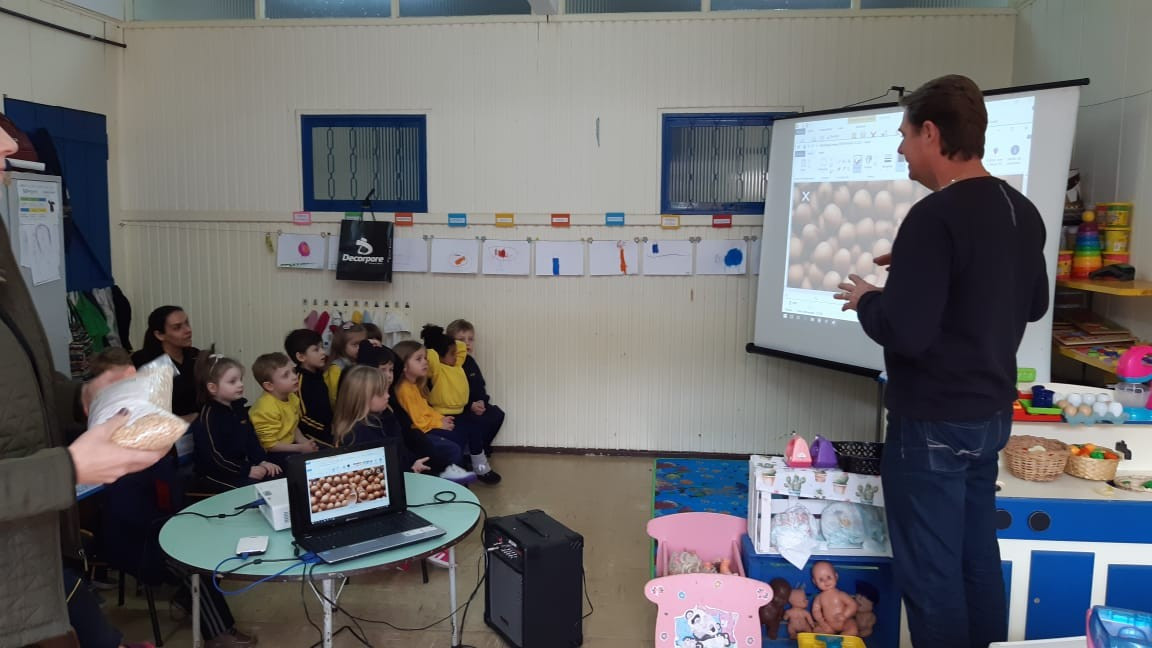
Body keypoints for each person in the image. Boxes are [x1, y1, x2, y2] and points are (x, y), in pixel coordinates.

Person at [835, 74, 1048, 648]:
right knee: (977, 561)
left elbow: (904, 332)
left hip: (931, 423)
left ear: (931, 133)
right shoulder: (1021, 209)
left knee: (932, 578)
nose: (901, 149)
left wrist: (870, 298)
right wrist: (920, 272)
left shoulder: (934, 216)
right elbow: (1033, 303)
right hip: (989, 418)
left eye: (904, 135)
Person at [0, 181, 170, 642]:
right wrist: (68, 469)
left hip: (34, 559)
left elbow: (18, 386)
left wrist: (83, 396)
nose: (10, 149)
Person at [188, 348, 282, 491]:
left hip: (239, 469)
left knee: (278, 478)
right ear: (212, 388)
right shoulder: (208, 417)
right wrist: (246, 470)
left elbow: (251, 440)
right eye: (232, 382)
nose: (240, 384)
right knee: (254, 490)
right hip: (214, 475)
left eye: (240, 380)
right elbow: (214, 457)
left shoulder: (239, 409)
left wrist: (262, 461)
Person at [421, 325, 500, 484]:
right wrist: (434, 341)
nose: (457, 356)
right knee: (457, 436)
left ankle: (481, 468)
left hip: (460, 412)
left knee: (476, 428)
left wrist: (456, 344)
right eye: (452, 354)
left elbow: (462, 351)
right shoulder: (437, 369)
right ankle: (458, 470)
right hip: (441, 414)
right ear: (440, 356)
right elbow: (431, 355)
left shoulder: (457, 366)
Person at [390, 340, 476, 485]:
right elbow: (417, 421)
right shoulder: (404, 389)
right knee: (453, 446)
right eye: (418, 359)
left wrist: (441, 418)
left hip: (426, 427)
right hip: (420, 432)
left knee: (460, 433)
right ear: (403, 365)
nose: (425, 362)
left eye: (425, 358)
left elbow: (427, 409)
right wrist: (439, 424)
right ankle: (454, 480)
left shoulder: (414, 384)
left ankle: (456, 471)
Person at [332, 365, 430, 474]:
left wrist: (413, 463)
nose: (387, 396)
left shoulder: (386, 418)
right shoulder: (357, 435)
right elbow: (381, 473)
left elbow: (401, 451)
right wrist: (409, 469)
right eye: (380, 393)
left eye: (387, 390)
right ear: (362, 397)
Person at [445, 318, 504, 460]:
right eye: (461, 340)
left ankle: (481, 449)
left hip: (475, 405)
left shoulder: (470, 362)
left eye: (470, 339)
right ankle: (469, 453)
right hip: (458, 408)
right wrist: (470, 406)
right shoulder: (448, 364)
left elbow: (480, 386)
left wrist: (482, 402)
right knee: (471, 422)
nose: (467, 343)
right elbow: (449, 394)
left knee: (496, 414)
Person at [249, 352, 318, 470]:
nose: (294, 377)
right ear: (269, 386)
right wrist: (300, 448)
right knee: (304, 467)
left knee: (320, 453)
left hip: (290, 446)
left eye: (293, 371)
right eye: (286, 375)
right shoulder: (265, 409)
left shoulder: (292, 397)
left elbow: (293, 426)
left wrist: (305, 443)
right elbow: (270, 445)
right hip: (271, 454)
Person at [131, 306, 200, 421]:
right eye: (177, 327)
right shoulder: (143, 362)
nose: (188, 330)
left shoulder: (195, 356)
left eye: (187, 323)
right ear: (160, 335)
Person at [285, 328, 334, 448]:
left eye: (322, 347)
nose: (323, 352)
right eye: (316, 350)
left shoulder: (318, 374)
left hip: (327, 430)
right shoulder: (298, 381)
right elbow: (302, 418)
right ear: (301, 357)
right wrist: (328, 430)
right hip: (310, 435)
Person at [323, 322, 367, 407]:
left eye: (362, 344)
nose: (360, 348)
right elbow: (334, 397)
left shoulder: (359, 362)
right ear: (341, 345)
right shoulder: (336, 368)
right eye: (355, 344)